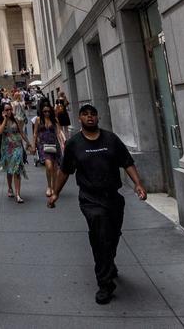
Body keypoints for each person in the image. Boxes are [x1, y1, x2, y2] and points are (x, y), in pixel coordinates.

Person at [48, 103, 147, 305]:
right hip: (90, 198)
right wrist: (55, 193)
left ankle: (108, 262)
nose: (89, 117)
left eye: (93, 114)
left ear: (98, 118)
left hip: (113, 197)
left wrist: (138, 184)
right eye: (85, 114)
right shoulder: (75, 144)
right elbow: (65, 171)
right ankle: (105, 283)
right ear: (79, 119)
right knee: (100, 234)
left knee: (112, 234)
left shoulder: (111, 139)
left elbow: (127, 162)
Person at [0, 101, 31, 202]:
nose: (9, 111)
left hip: (17, 147)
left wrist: (28, 143)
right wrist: (5, 119)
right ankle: (10, 188)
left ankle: (18, 194)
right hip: (7, 148)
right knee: (9, 170)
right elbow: (0, 131)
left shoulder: (15, 119)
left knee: (17, 169)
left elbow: (21, 132)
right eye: (7, 110)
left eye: (10, 109)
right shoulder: (0, 121)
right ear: (3, 111)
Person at [33, 105, 62, 199]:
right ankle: (49, 186)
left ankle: (53, 187)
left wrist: (62, 144)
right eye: (45, 111)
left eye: (48, 111)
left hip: (54, 145)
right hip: (43, 145)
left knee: (54, 167)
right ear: (41, 112)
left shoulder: (55, 120)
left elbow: (59, 132)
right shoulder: (38, 120)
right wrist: (33, 146)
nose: (47, 113)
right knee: (48, 166)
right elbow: (35, 133)